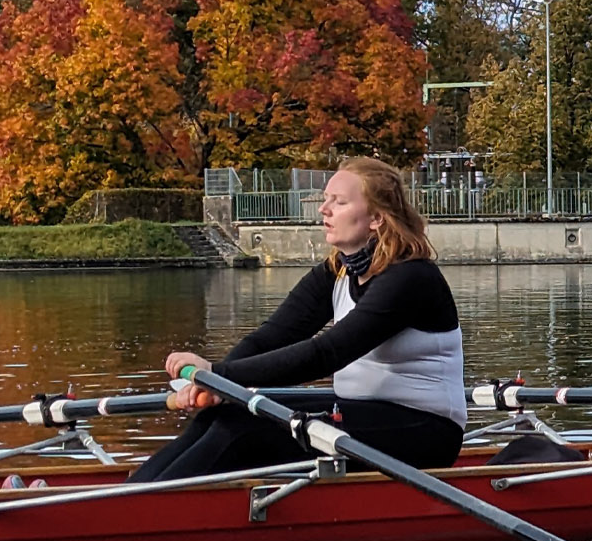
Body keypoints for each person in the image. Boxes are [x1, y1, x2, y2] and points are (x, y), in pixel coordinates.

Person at [129, 157, 466, 482]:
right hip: (364, 415)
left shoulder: (411, 279)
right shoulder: (336, 270)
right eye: (326, 199)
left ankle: (140, 518)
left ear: (376, 218)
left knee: (244, 429)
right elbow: (273, 336)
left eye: (339, 201)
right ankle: (131, 499)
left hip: (426, 432)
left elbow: (328, 352)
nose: (324, 209)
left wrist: (217, 374)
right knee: (225, 413)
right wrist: (218, 385)